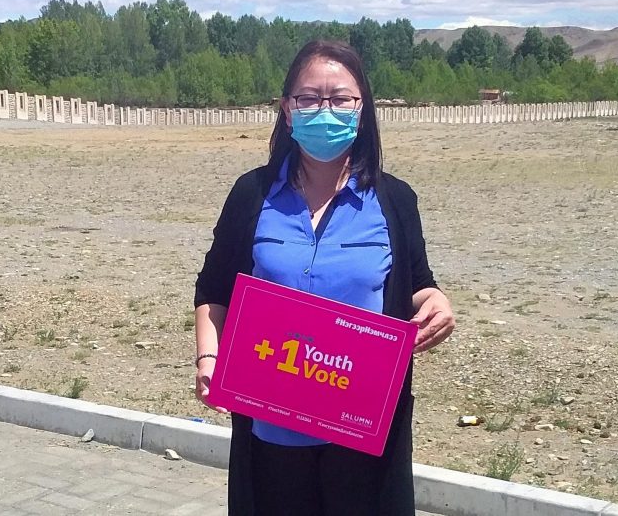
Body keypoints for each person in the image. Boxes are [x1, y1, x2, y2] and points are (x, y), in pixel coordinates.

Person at [193, 39, 455, 516]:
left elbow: (418, 283)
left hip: (361, 433)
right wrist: (208, 359)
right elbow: (214, 290)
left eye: (340, 99)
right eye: (309, 98)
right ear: (287, 110)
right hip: (270, 428)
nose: (325, 110)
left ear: (362, 109)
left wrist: (436, 303)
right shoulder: (251, 194)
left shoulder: (395, 200)